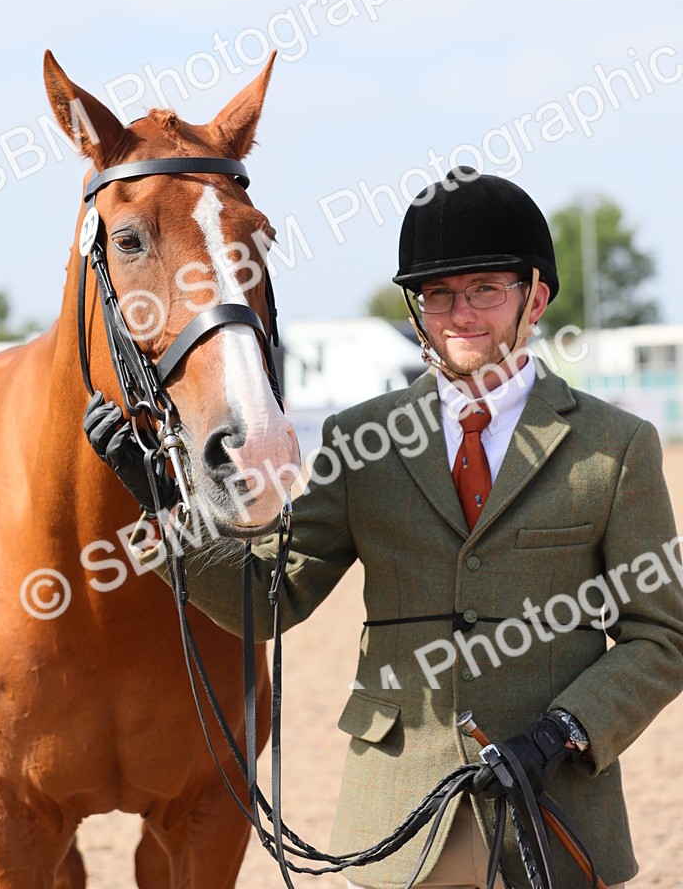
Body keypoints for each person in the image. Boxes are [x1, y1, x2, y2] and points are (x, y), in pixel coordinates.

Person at [86, 166, 683, 888]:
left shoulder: (615, 446)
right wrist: (166, 508)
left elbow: (662, 633)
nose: (460, 315)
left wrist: (568, 730)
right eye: (438, 295)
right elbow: (272, 596)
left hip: (553, 806)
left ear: (536, 298)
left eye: (485, 291)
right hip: (402, 816)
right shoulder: (361, 442)